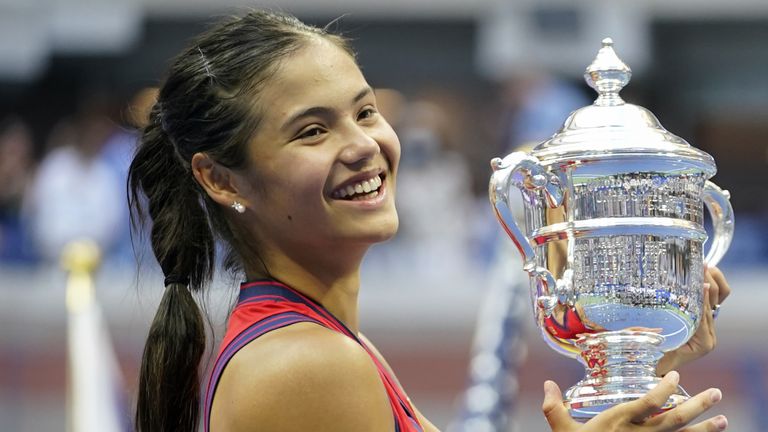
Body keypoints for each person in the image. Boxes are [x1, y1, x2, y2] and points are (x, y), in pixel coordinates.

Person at [128, 10, 731, 432]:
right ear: (221, 179)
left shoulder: (332, 346)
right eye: (312, 131)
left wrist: (631, 372)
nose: (364, 144)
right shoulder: (307, 366)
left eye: (365, 112)